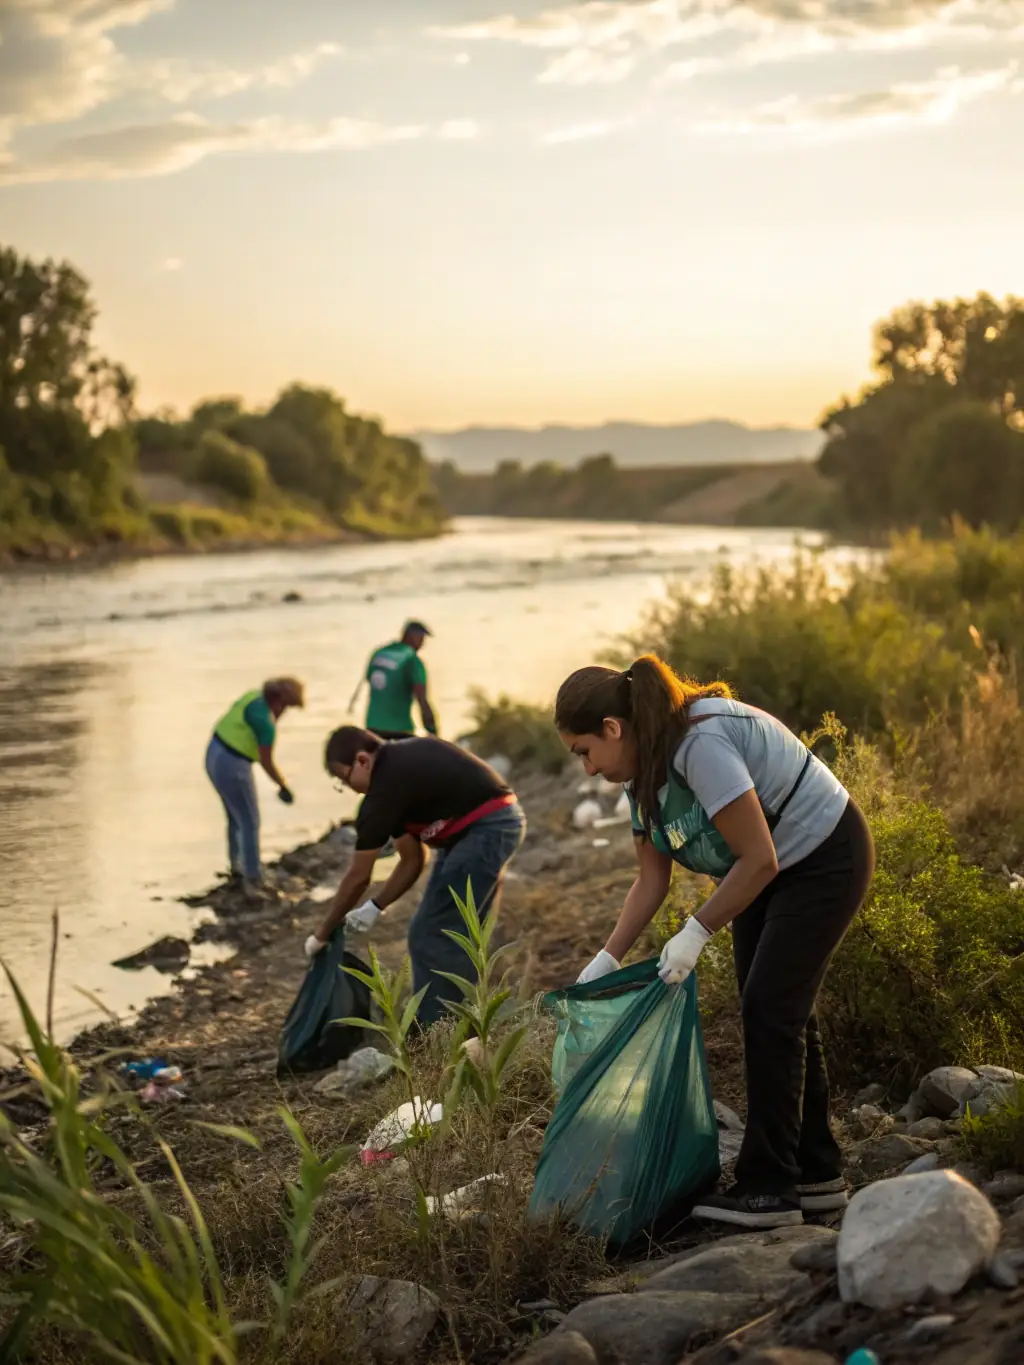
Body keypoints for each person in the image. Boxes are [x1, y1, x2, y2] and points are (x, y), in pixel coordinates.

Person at [555, 654, 874, 1231]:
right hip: (765, 872)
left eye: (584, 752)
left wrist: (697, 931)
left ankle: (769, 1190)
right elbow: (651, 880)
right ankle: (818, 1175)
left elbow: (760, 856)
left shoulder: (698, 743)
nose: (586, 770)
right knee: (782, 1012)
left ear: (612, 729)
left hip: (823, 853)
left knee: (769, 1008)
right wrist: (606, 958)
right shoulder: (642, 776)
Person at [306, 727, 525, 1026]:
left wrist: (321, 934)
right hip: (478, 829)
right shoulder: (396, 770)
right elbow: (413, 860)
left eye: (345, 780)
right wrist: (376, 906)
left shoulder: (384, 789)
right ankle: (461, 1018)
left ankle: (438, 1025)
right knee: (455, 932)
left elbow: (358, 877)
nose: (351, 788)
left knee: (431, 933)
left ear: (361, 760)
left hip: (487, 827)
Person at [205, 678, 304, 897]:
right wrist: (283, 786)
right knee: (250, 820)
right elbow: (266, 761)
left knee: (234, 817)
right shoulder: (265, 723)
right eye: (286, 707)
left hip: (214, 753)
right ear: (279, 701)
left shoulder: (252, 696)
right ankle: (253, 878)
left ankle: (237, 866)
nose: (284, 713)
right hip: (233, 765)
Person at [350, 621, 438, 740]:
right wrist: (433, 732)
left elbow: (374, 684)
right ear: (411, 636)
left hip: (372, 728)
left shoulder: (378, 654)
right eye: (421, 638)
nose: (423, 643)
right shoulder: (411, 659)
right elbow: (422, 700)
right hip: (399, 731)